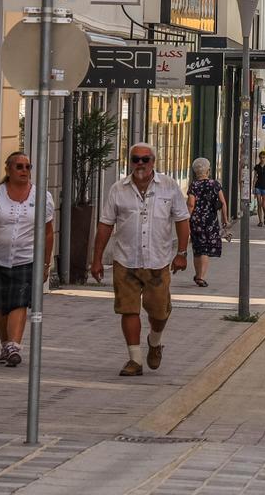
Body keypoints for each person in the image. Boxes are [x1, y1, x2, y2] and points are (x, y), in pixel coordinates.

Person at [89, 143, 189, 377]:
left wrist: (182, 253)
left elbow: (182, 220)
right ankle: (134, 359)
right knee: (128, 310)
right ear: (130, 162)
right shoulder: (118, 189)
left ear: (154, 161)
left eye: (145, 159)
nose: (140, 164)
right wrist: (96, 260)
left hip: (158, 260)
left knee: (159, 313)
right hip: (125, 260)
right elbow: (105, 225)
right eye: (136, 159)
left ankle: (155, 342)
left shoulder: (169, 186)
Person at [0, 152, 54, 367]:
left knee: (19, 301)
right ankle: (6, 344)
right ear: (8, 170)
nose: (24, 171)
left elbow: (48, 232)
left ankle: (14, 347)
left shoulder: (42, 197)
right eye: (19, 166)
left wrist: (46, 263)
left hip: (27, 258)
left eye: (28, 166)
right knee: (2, 306)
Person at [184, 158, 228, 288]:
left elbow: (191, 204)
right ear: (207, 170)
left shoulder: (194, 185)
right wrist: (225, 219)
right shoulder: (215, 184)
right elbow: (223, 202)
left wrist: (187, 219)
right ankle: (201, 277)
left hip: (196, 221)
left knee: (198, 248)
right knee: (205, 250)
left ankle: (198, 275)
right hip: (210, 221)